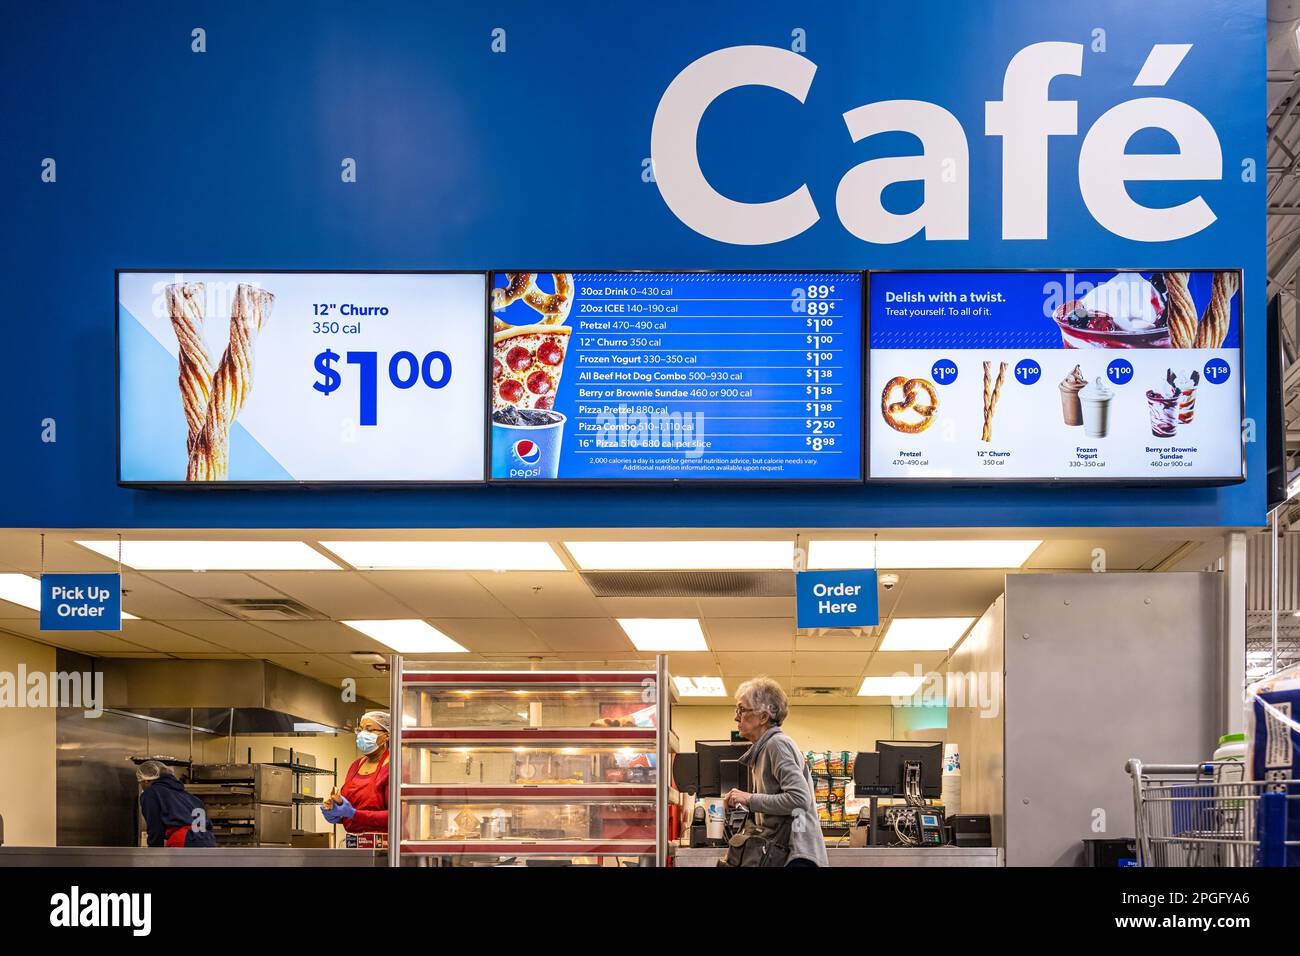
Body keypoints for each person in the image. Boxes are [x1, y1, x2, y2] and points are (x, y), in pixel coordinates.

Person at [722, 676, 828, 867]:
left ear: (764, 717)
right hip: (785, 853)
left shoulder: (777, 744)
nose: (736, 716)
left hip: (796, 856)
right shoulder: (764, 749)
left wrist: (749, 799)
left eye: (742, 709)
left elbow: (799, 799)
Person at [322, 710, 390, 838]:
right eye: (360, 730)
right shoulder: (355, 766)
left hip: (384, 846)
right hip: (354, 842)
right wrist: (336, 812)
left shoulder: (393, 768)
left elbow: (396, 817)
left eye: (369, 730)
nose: (363, 734)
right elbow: (348, 809)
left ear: (386, 736)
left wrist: (354, 814)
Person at [137, 760, 217, 848]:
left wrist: (154, 852)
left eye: (140, 782)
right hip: (208, 840)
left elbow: (155, 827)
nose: (141, 786)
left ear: (147, 780)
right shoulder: (190, 797)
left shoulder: (151, 793)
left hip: (184, 840)